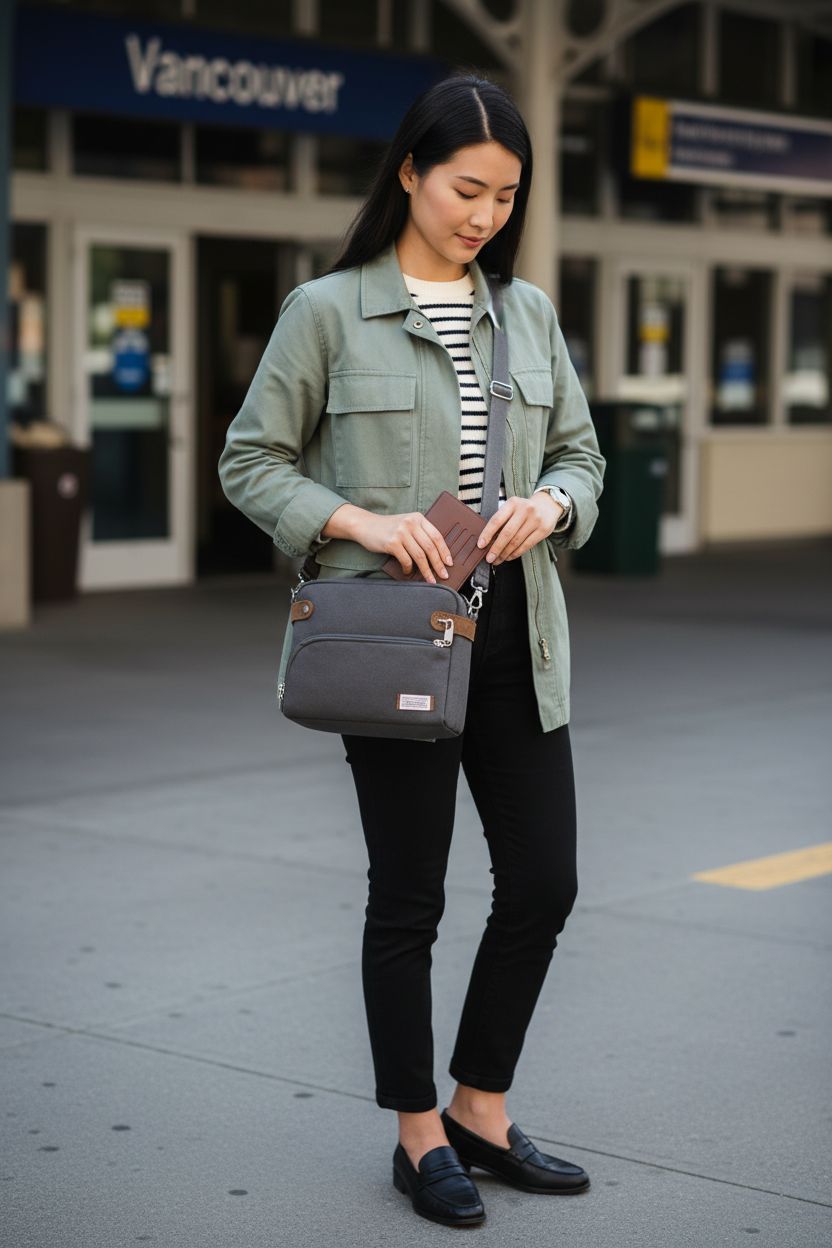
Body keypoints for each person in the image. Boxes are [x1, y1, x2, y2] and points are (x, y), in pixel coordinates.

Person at [218, 72, 605, 1229]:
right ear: (408, 174)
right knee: (411, 899)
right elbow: (251, 462)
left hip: (515, 644)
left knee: (544, 882)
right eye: (464, 188)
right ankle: (416, 1135)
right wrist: (359, 520)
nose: (482, 214)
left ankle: (481, 1107)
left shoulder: (526, 314)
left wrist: (550, 503)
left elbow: (581, 455)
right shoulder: (328, 311)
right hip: (395, 640)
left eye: (504, 195)